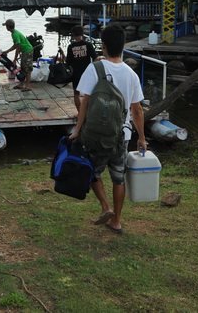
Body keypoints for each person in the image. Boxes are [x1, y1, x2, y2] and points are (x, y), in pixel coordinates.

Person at [69, 23, 147, 235]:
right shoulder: (131, 74)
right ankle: (117, 221)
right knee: (118, 177)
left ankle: (106, 207)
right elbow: (137, 110)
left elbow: (84, 101)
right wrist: (141, 138)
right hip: (121, 135)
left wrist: (77, 130)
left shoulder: (95, 68)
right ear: (123, 46)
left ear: (103, 46)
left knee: (93, 173)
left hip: (95, 135)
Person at [64, 25, 97, 111]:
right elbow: (95, 58)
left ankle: (80, 113)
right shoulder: (88, 45)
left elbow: (68, 62)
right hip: (87, 72)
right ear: (82, 33)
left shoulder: (71, 47)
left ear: (73, 35)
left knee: (76, 93)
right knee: (88, 93)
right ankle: (88, 112)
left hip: (76, 73)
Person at [1, 18, 33, 91]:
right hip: (24, 51)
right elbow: (15, 45)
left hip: (27, 50)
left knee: (27, 69)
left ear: (8, 27)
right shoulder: (14, 33)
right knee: (23, 68)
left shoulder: (15, 34)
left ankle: (28, 86)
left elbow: (17, 48)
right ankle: (21, 84)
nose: (6, 27)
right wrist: (7, 51)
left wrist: (15, 59)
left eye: (6, 26)